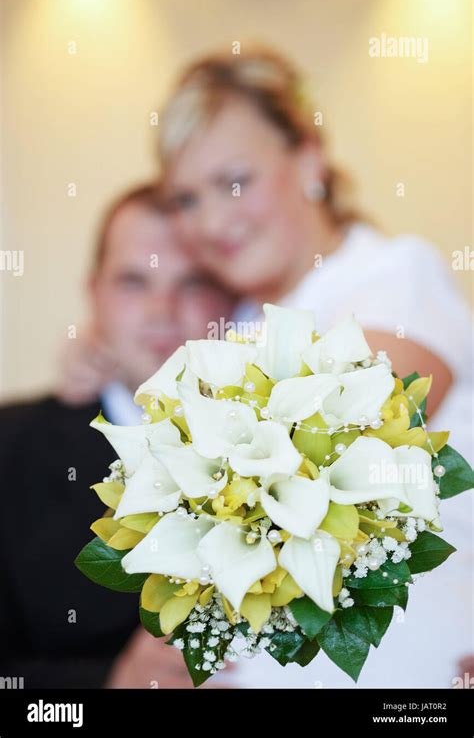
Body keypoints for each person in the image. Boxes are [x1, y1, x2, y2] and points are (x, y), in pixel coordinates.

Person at [154, 47, 473, 688]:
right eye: (187, 199)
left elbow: (342, 437)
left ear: (309, 158)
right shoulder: (240, 322)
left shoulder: (393, 275)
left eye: (234, 181)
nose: (213, 222)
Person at [0, 184, 235, 688]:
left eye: (193, 281)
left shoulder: (294, 436)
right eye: (133, 281)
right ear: (94, 294)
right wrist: (108, 683)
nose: (162, 309)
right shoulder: (8, 446)